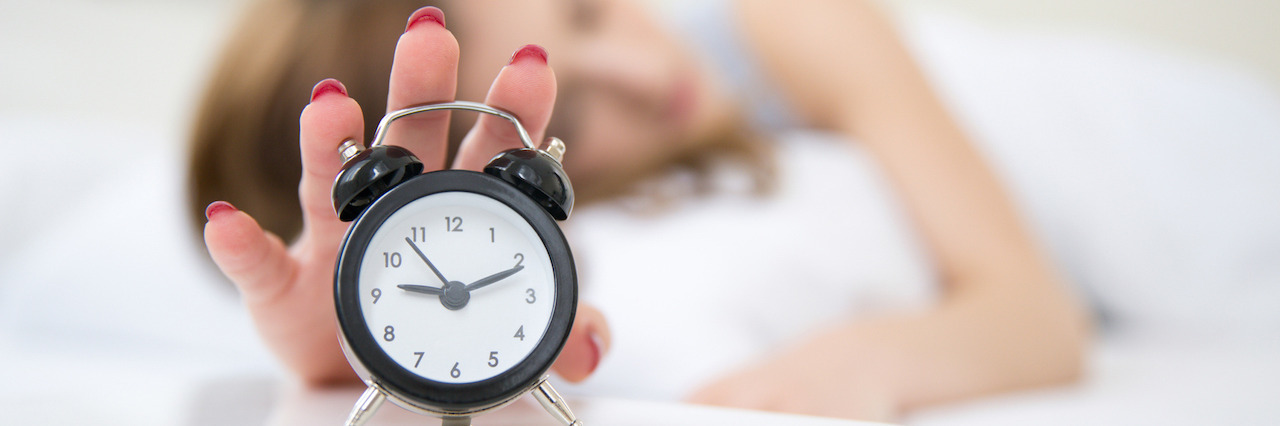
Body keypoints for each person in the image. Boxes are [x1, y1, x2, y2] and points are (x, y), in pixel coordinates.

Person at [190, 0, 1090, 421]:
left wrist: (861, 366)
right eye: (571, 116)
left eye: (587, 13)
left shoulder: (796, 22)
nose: (651, 78)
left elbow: (1040, 315)